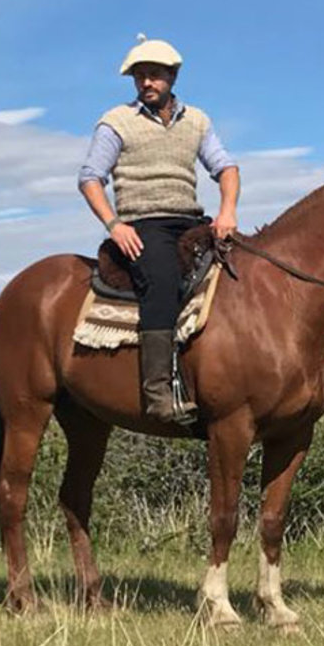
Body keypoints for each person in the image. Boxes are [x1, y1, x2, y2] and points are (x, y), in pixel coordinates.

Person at [77, 36, 240, 426]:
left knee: (240, 270)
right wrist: (114, 225)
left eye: (153, 75)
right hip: (143, 223)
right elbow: (90, 177)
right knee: (162, 280)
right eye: (139, 77)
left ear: (172, 76)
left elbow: (226, 168)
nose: (146, 83)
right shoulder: (116, 122)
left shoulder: (197, 120)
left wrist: (227, 212)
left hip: (190, 219)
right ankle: (158, 394)